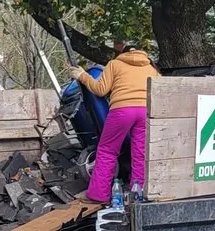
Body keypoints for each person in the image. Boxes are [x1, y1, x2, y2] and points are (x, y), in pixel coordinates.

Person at [67, 46, 160, 203]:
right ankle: (138, 194)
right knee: (140, 153)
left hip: (122, 110)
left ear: (122, 53)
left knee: (107, 150)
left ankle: (99, 195)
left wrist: (82, 75)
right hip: (146, 111)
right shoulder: (151, 68)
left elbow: (100, 90)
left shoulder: (115, 64)